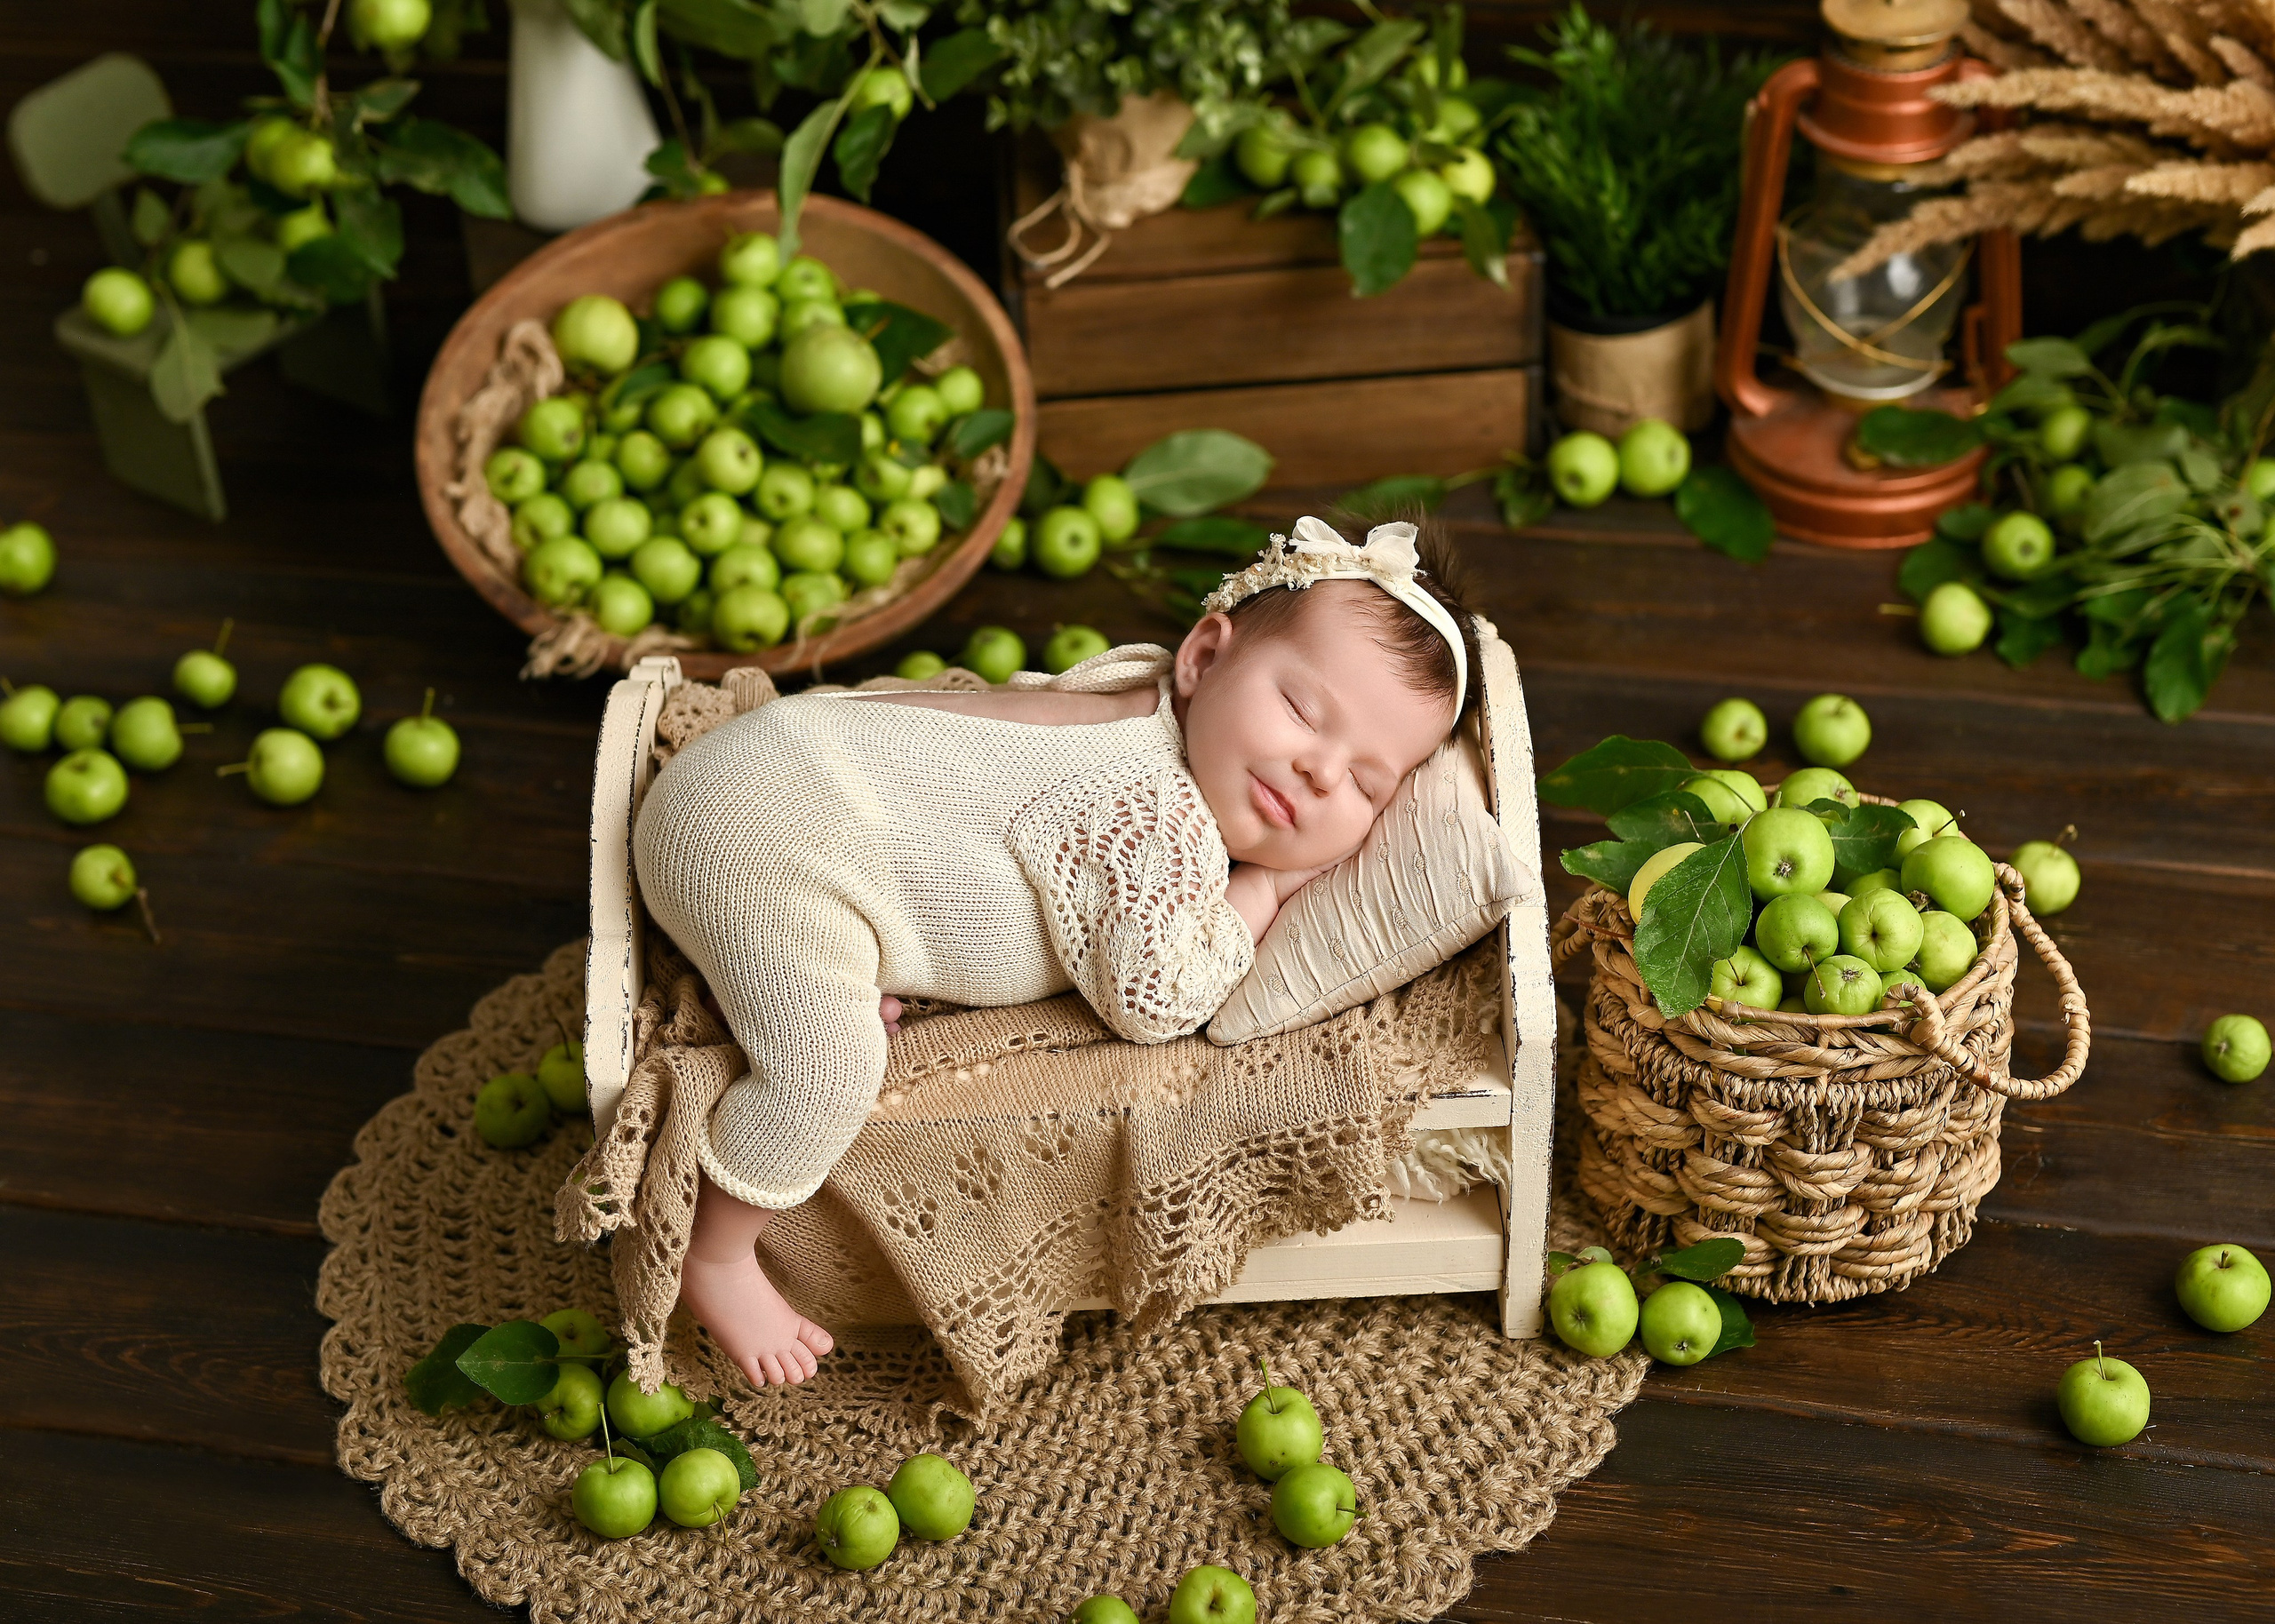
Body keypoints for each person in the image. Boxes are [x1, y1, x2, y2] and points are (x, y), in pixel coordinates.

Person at [635, 510, 1483, 1388]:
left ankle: (840, 958)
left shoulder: (1136, 688)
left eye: (1364, 783)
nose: (1317, 770)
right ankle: (719, 1254)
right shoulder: (1158, 818)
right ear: (1202, 656)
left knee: (895, 878)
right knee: (828, 1069)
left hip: (759, 776)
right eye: (1303, 710)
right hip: (752, 845)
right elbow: (1155, 1001)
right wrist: (1258, 890)